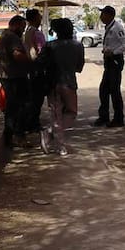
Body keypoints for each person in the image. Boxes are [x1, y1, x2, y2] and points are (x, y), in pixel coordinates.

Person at [38, 18, 86, 155]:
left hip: (52, 84)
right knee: (71, 112)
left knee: (55, 114)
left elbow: (40, 63)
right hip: (69, 83)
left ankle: (57, 141)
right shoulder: (77, 45)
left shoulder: (49, 46)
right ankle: (54, 138)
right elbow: (79, 67)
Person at [0, 16, 31, 147]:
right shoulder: (12, 37)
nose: (23, 30)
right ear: (15, 25)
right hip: (14, 77)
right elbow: (17, 55)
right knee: (20, 107)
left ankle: (10, 137)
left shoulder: (4, 36)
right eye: (22, 27)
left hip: (8, 76)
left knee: (12, 107)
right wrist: (31, 60)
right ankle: (18, 136)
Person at [95, 5, 125, 127]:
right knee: (104, 90)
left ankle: (118, 119)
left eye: (103, 14)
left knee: (114, 91)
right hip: (108, 62)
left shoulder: (116, 28)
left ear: (110, 15)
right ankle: (104, 116)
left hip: (115, 61)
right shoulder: (109, 27)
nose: (101, 17)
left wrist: (114, 52)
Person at [21, 8, 49, 136]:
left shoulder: (27, 32)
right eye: (39, 17)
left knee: (32, 98)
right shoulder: (36, 33)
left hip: (29, 68)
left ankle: (30, 123)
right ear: (34, 18)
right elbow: (42, 51)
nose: (41, 19)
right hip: (37, 68)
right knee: (37, 98)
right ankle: (33, 124)